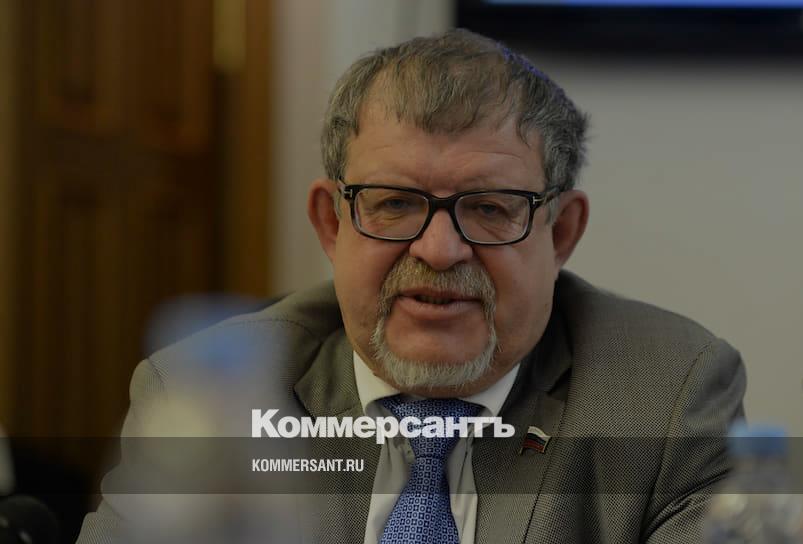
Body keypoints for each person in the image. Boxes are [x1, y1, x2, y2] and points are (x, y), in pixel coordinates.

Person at [77, 29, 746, 543]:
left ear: (561, 232)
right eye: (394, 203)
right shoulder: (211, 396)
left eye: (489, 207)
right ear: (332, 223)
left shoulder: (668, 396)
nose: (439, 249)